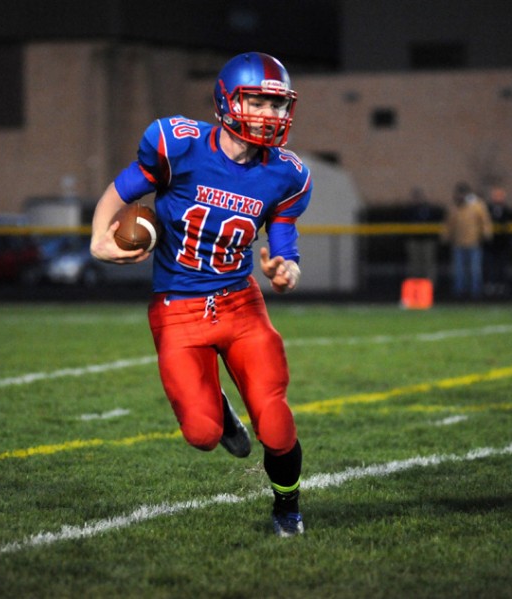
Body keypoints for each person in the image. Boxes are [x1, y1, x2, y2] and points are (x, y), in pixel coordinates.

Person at [89, 52, 312, 536]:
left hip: (241, 303)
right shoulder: (178, 144)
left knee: (274, 421)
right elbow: (123, 188)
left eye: (278, 106)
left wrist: (284, 267)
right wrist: (97, 234)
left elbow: (284, 243)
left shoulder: (287, 173)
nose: (270, 116)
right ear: (227, 102)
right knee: (203, 434)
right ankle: (223, 414)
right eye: (258, 102)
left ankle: (287, 509)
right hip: (177, 309)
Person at [440, 182, 493, 299]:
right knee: (459, 270)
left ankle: (475, 292)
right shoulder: (454, 207)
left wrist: (486, 234)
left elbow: (485, 221)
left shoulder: (477, 205)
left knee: (474, 269)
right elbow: (449, 224)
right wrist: (445, 237)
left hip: (474, 242)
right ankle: (460, 292)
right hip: (458, 242)